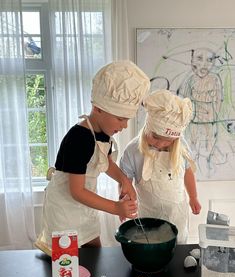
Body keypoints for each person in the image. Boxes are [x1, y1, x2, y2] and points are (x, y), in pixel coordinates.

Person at [35, 60, 150, 254]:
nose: (124, 126)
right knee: (67, 259)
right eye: (120, 118)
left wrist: (124, 181)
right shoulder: (78, 139)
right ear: (98, 109)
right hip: (65, 207)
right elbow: (76, 191)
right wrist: (116, 208)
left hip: (84, 206)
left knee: (94, 249)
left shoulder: (103, 134)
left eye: (127, 119)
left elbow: (105, 163)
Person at [119, 89, 201, 243]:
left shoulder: (181, 147)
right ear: (147, 127)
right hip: (148, 214)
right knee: (150, 248)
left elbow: (188, 172)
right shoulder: (133, 150)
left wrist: (193, 197)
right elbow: (125, 180)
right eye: (156, 137)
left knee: (176, 249)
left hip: (176, 214)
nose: (161, 144)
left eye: (168, 141)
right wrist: (124, 200)